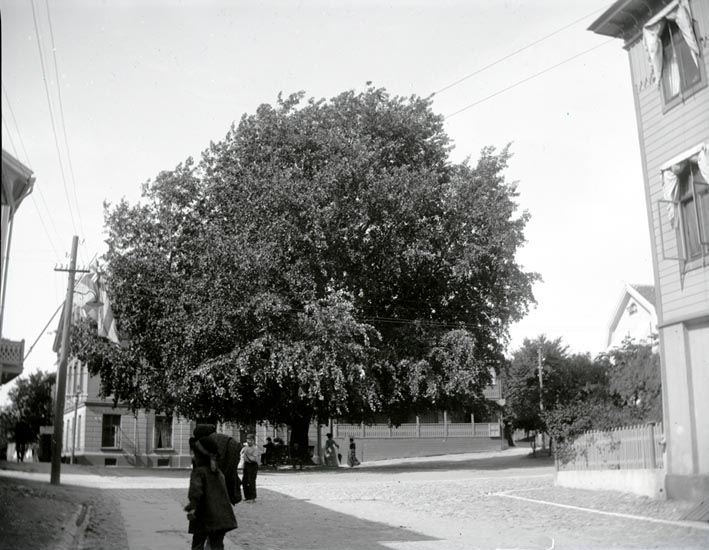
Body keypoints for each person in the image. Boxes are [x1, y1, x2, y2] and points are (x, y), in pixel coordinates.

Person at [185, 437, 237, 550]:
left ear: (200, 456)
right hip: (221, 516)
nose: (193, 456)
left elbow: (196, 491)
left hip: (204, 516)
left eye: (194, 454)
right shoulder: (218, 472)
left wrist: (192, 507)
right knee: (217, 544)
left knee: (198, 543)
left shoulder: (199, 472)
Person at [193, 424, 242, 504]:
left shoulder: (208, 440)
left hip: (228, 453)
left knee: (222, 478)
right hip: (234, 449)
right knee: (229, 476)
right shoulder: (217, 436)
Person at [240, 434, 261, 501]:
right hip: (246, 465)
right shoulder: (245, 448)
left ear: (253, 441)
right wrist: (242, 452)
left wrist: (247, 453)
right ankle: (247, 496)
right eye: (248, 439)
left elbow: (254, 459)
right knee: (244, 481)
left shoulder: (255, 448)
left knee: (251, 481)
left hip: (252, 465)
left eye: (250, 440)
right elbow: (241, 454)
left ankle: (252, 497)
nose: (248, 441)